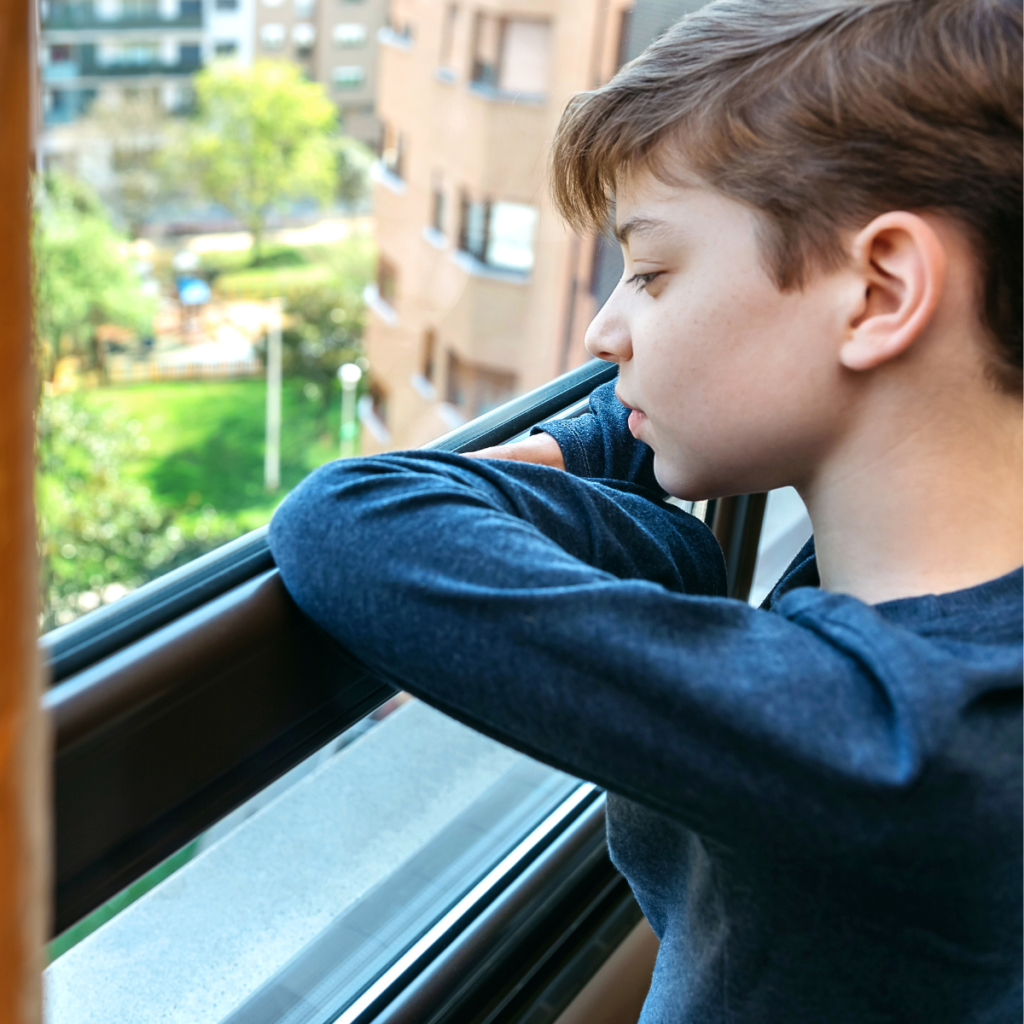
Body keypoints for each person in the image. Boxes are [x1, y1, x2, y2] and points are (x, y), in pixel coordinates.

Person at [269, 1, 1023, 1020]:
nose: (602, 328)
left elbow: (348, 517)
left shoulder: (883, 738)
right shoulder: (941, 582)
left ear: (881, 291)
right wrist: (595, 443)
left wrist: (663, 544)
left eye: (653, 272)